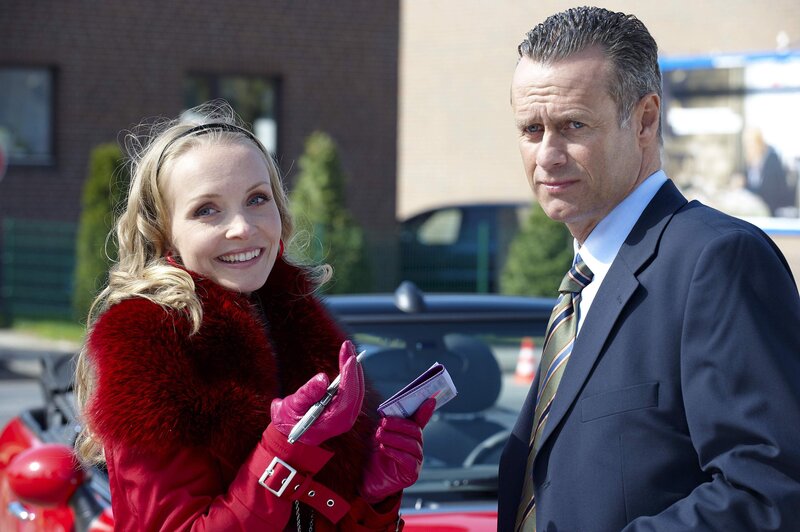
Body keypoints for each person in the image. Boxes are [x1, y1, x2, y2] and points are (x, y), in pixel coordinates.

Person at [499, 6, 800, 532]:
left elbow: (768, 493)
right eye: (531, 129)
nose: (547, 155)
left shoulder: (718, 261)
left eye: (573, 125)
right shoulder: (584, 283)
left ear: (644, 120)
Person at [74, 101, 436, 531]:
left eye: (257, 199)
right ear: (163, 233)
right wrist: (283, 450)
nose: (243, 227)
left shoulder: (297, 326)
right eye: (207, 210)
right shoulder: (146, 344)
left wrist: (372, 502)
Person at [744, 127, 792, 216]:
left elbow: (770, 190)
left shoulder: (772, 159)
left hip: (773, 209)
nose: (749, 147)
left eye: (751, 143)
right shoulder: (750, 162)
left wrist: (747, 188)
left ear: (759, 142)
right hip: (758, 207)